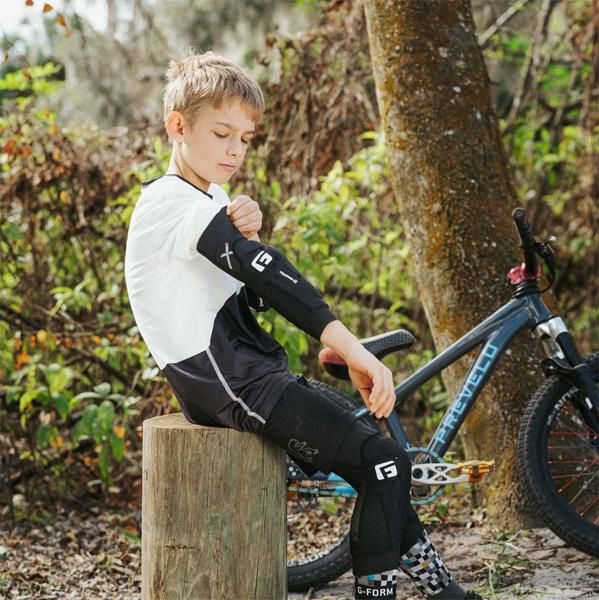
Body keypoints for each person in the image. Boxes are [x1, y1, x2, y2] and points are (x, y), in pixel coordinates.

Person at [124, 50, 481, 600]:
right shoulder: (167, 203)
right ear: (178, 126)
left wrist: (246, 236)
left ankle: (443, 591)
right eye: (221, 134)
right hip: (232, 385)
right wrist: (354, 349)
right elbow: (272, 280)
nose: (235, 150)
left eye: (245, 139)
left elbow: (247, 292)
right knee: (384, 461)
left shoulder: (208, 197)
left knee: (381, 463)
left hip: (249, 373)